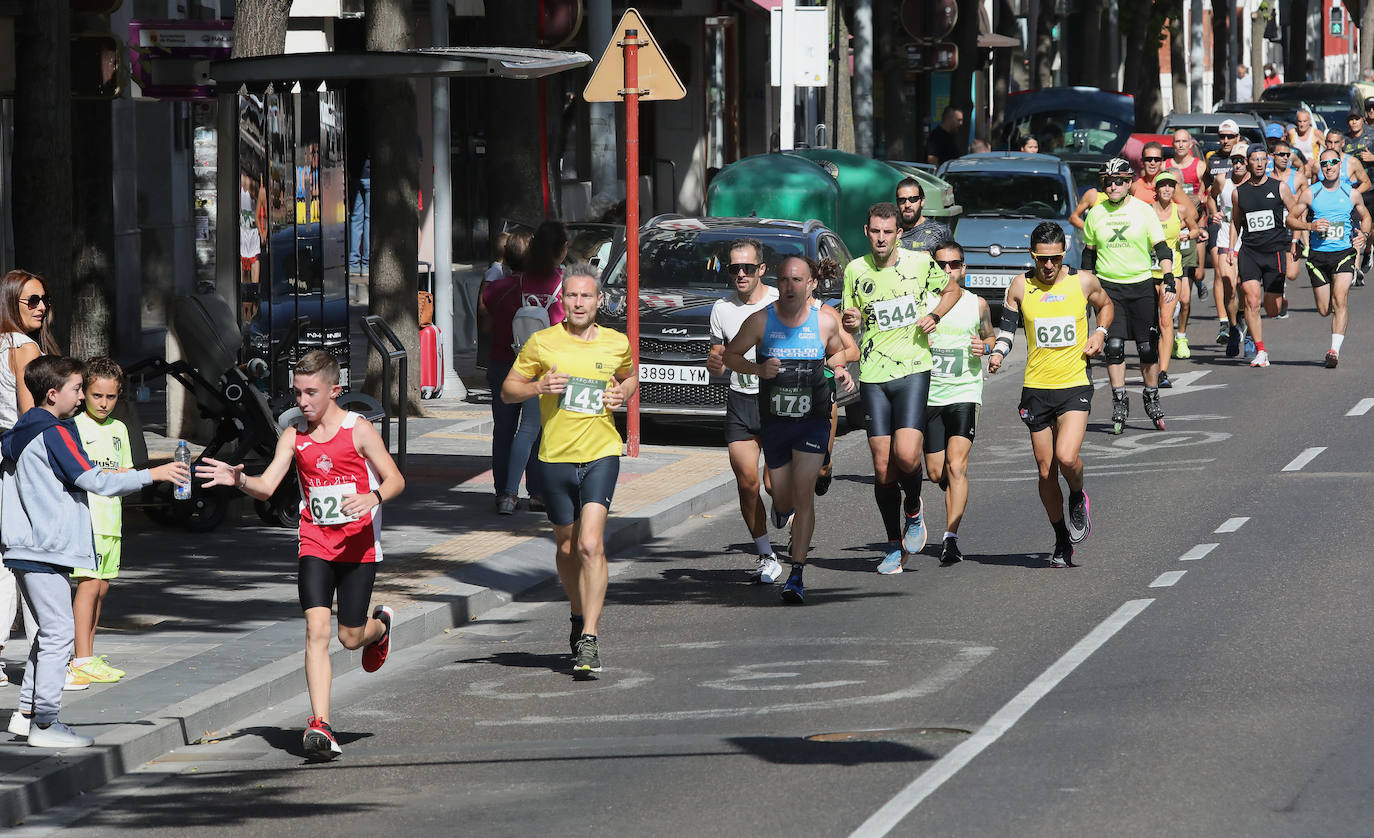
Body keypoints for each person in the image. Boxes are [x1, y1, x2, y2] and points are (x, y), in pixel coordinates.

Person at [196, 350, 405, 759]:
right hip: (315, 543)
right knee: (316, 631)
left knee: (348, 638)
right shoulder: (294, 437)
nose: (303, 402)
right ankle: (320, 724)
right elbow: (268, 487)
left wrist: (372, 496)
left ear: (334, 390)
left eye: (311, 393)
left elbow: (396, 479)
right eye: (297, 393)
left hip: (359, 546)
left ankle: (378, 628)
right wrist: (238, 480)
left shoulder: (358, 430)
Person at [2, 356, 188, 748]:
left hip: (27, 544)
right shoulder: (54, 432)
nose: (79, 395)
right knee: (58, 634)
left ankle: (29, 715)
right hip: (46, 546)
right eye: (75, 388)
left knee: (47, 633)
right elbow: (94, 480)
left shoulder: (21, 430)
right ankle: (46, 724)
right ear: (53, 394)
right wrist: (153, 473)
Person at [502, 267, 636, 676]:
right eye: (573, 296)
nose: (579, 303)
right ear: (565, 301)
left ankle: (590, 638)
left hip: (601, 452)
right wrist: (537, 388)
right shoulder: (542, 343)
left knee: (590, 545)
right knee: (566, 546)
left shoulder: (617, 342)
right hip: (555, 457)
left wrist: (621, 393)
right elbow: (509, 390)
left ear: (599, 302)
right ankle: (577, 614)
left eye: (587, 297)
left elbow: (630, 379)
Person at [724, 255, 855, 602]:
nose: (790, 286)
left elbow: (838, 352)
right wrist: (758, 371)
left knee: (803, 493)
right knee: (780, 496)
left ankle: (796, 573)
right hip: (775, 424)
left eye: (798, 280)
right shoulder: (760, 322)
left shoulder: (825, 321)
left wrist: (839, 370)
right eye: (784, 280)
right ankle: (782, 511)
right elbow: (731, 356)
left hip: (812, 421)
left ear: (811, 284)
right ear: (777, 283)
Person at [841, 202, 961, 575]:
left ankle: (913, 505)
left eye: (887, 232)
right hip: (874, 374)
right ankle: (894, 545)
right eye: (875, 231)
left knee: (907, 457)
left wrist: (935, 314)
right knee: (881, 467)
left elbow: (952, 290)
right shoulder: (855, 270)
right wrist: (853, 319)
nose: (880, 238)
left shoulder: (919, 262)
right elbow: (851, 321)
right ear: (867, 232)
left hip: (913, 368)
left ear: (898, 234)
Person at [988, 223, 1114, 568]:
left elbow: (1106, 306)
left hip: (1073, 383)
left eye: (1055, 258)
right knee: (1046, 471)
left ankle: (1077, 495)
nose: (1049, 266)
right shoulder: (1020, 286)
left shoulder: (1082, 281)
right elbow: (1008, 328)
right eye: (1043, 259)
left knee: (1067, 457)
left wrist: (1100, 333)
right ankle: (1061, 539)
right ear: (1033, 256)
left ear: (1064, 254)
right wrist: (998, 353)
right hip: (1037, 388)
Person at [1081, 157, 1175, 434]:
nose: (1113, 186)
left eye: (1119, 181)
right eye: (1108, 182)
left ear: (1129, 183)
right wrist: (1086, 290)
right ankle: (1119, 399)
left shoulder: (1143, 211)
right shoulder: (1096, 213)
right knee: (1114, 346)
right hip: (1109, 289)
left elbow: (1161, 247)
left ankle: (1151, 395)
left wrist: (1168, 277)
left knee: (1147, 347)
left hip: (1141, 285)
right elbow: (1089, 255)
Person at [706, 240, 782, 584]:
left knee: (775, 484)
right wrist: (714, 364)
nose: (740, 274)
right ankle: (766, 555)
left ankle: (787, 508)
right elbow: (718, 365)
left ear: (761, 269)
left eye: (747, 268)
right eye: (734, 268)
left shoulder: (781, 300)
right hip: (741, 400)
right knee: (748, 482)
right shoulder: (721, 308)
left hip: (779, 401)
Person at [480, 223, 566, 515]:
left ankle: (504, 491)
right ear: (562, 250)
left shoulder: (506, 287)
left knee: (504, 429)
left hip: (505, 362)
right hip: (543, 370)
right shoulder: (565, 287)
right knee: (536, 430)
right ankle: (537, 492)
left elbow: (486, 308)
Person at [0, 270, 56, 687]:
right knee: (29, 557)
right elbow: (29, 413)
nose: (40, 307)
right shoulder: (24, 345)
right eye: (31, 301)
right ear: (11, 304)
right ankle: (48, 653)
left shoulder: (1, 343)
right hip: (20, 457)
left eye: (43, 300)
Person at [925, 242, 994, 566]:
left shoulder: (977, 304)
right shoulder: (923, 303)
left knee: (956, 466)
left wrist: (986, 346)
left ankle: (950, 538)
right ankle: (948, 487)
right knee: (937, 470)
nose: (948, 270)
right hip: (928, 396)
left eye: (954, 264)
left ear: (964, 268)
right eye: (941, 265)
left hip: (964, 392)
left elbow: (989, 335)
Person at [69, 358, 133, 685]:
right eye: (97, 396)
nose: (104, 403)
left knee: (102, 588)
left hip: (112, 522)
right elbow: (84, 474)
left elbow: (126, 473)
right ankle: (79, 657)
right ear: (85, 393)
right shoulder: (76, 426)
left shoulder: (120, 429)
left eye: (110, 397)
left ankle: (89, 655)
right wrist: (114, 474)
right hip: (88, 520)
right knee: (89, 585)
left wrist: (119, 475)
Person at [1226, 144, 1304, 367]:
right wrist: (1232, 249)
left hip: (1275, 252)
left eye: (1263, 160)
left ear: (1266, 162)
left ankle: (1276, 302)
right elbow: (1236, 222)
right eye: (1255, 160)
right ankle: (1260, 350)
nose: (1259, 164)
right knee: (1251, 300)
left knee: (1273, 310)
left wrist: (1295, 240)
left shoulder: (1280, 188)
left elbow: (1296, 212)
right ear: (1248, 162)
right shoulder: (1238, 193)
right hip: (1249, 252)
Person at [1297, 148, 1372, 367]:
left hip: (1343, 254)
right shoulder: (1311, 193)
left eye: (1333, 162)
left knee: (1340, 299)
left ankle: (1334, 351)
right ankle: (1329, 308)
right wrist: (1310, 226)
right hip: (1318, 257)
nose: (1328, 167)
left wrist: (1364, 235)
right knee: (1324, 309)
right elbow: (1291, 219)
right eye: (1324, 164)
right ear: (1320, 168)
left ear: (1340, 165)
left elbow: (1366, 217)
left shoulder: (1352, 193)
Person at [1149, 171, 1203, 389]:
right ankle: (1152, 360)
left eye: (1171, 186)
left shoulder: (1180, 210)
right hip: (1147, 271)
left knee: (1165, 319)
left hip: (1173, 272)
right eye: (1163, 186)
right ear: (1157, 189)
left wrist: (1187, 235)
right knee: (1150, 323)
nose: (1167, 189)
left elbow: (1195, 228)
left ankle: (1162, 372)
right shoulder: (1146, 211)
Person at [1171, 129, 1211, 357]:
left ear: (1190, 144)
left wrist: (1200, 200)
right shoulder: (1166, 164)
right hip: (1172, 227)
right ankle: (1174, 335)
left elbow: (1208, 191)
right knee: (1181, 291)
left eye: (1184, 141)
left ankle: (1200, 282)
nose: (1180, 145)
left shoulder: (1198, 166)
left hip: (1195, 223)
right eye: (1176, 141)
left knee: (1198, 274)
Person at [1210, 146, 1249, 351]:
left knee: (1246, 289)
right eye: (1235, 160)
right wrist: (1214, 212)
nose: (1238, 164)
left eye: (1242, 160)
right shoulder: (1222, 180)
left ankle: (1244, 318)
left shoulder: (1256, 182)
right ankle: (1233, 328)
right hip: (1225, 240)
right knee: (1229, 287)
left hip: (1250, 243)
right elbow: (1210, 197)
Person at [895, 177, 954, 255]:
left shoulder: (940, 231)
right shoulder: (890, 231)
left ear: (922, 201)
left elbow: (952, 264)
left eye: (913, 199)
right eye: (902, 200)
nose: (907, 205)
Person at [1288, 109, 1321, 179]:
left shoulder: (1316, 133)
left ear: (1310, 121)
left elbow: (1328, 148)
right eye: (1300, 121)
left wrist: (1316, 161)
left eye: (1305, 121)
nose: (1302, 124)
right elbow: (1287, 148)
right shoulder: (1292, 133)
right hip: (1296, 168)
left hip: (1312, 169)